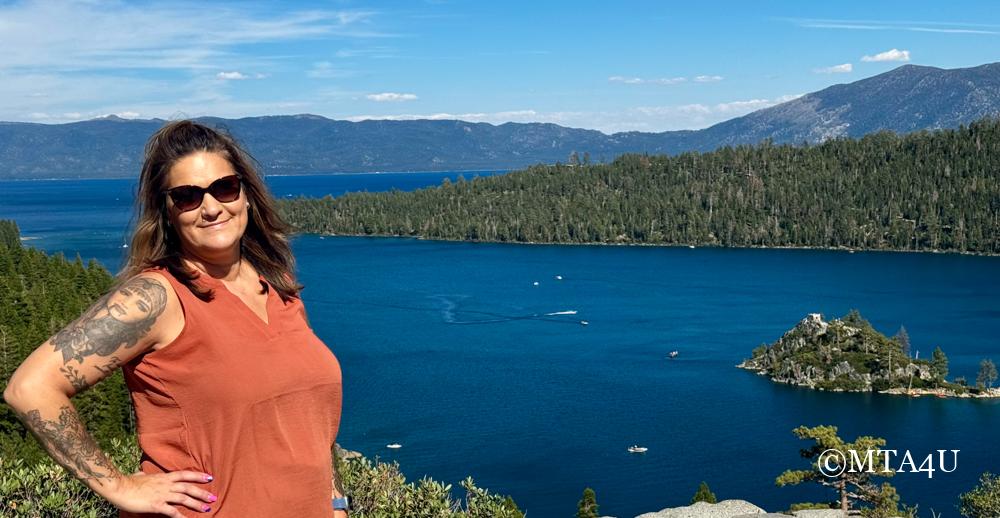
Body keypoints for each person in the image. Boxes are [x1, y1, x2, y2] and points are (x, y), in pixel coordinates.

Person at [3, 120, 347, 517]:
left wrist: (334, 499)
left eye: (224, 187)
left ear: (247, 196)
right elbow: (30, 387)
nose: (212, 207)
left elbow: (308, 418)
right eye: (187, 196)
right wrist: (119, 486)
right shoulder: (156, 298)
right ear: (167, 212)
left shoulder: (277, 285)